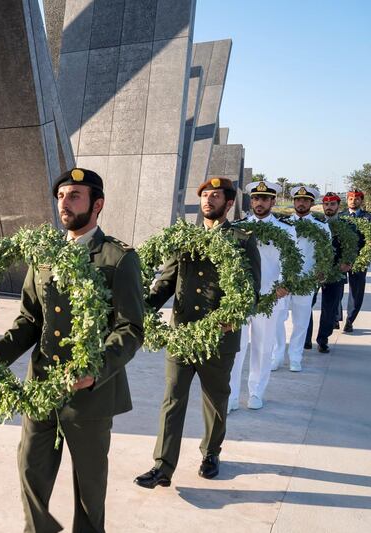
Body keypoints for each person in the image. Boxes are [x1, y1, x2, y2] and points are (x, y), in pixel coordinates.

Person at [0, 168, 145, 533]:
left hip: (91, 393)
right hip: (41, 387)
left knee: (88, 487)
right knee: (30, 469)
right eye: (61, 196)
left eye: (74, 196)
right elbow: (30, 318)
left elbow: (130, 329)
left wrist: (96, 370)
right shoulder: (44, 255)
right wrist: (1, 351)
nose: (64, 204)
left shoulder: (117, 258)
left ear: (97, 205)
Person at [134, 177, 260, 488]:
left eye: (216, 196)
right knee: (172, 399)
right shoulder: (184, 239)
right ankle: (163, 466)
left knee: (215, 400)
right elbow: (164, 283)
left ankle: (211, 453)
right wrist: (138, 307)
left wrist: (232, 317)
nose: (208, 200)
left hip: (219, 337)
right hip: (181, 335)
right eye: (205, 195)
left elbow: (251, 292)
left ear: (228, 203)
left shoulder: (243, 240)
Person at [229, 181, 296, 410]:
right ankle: (231, 395)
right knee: (235, 348)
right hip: (241, 296)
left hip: (270, 295)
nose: (259, 203)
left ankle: (256, 392)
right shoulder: (237, 227)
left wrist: (285, 285)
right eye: (256, 199)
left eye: (264, 199)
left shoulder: (286, 230)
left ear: (273, 201)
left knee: (262, 347)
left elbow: (291, 262)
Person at [271, 186, 331, 372]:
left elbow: (326, 254)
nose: (301, 203)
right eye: (298, 200)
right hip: (282, 279)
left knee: (301, 321)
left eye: (306, 200)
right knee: (277, 318)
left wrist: (321, 271)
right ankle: (277, 355)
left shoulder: (321, 227)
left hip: (306, 279)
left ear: (312, 203)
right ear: (294, 202)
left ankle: (295, 356)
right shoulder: (282, 224)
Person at [315, 192, 352, 353]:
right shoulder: (315, 223)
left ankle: (323, 339)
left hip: (336, 272)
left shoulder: (347, 225)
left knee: (329, 308)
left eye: (332, 204)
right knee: (306, 304)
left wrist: (348, 261)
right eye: (326, 204)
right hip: (315, 272)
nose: (328, 207)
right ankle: (305, 340)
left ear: (338, 206)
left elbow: (356, 243)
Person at [340, 189, 371, 333]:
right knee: (334, 289)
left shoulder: (369, 217)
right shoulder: (341, 216)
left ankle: (350, 320)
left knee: (356, 292)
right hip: (342, 259)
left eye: (357, 198)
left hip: (359, 260)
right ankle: (335, 317)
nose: (353, 201)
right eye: (350, 198)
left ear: (361, 201)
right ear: (347, 200)